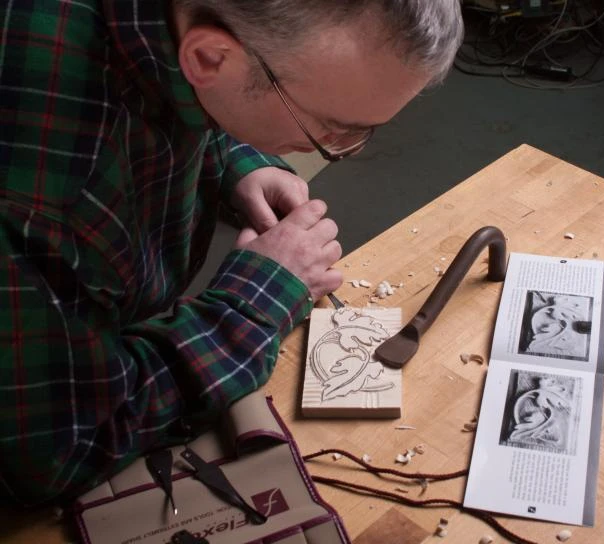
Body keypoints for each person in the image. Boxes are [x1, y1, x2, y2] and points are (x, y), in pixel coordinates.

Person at [0, 0, 463, 505]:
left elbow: (179, 80)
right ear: (209, 58)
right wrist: (253, 301)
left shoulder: (183, 27)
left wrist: (237, 160)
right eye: (331, 127)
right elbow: (59, 449)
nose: (345, 147)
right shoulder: (43, 189)